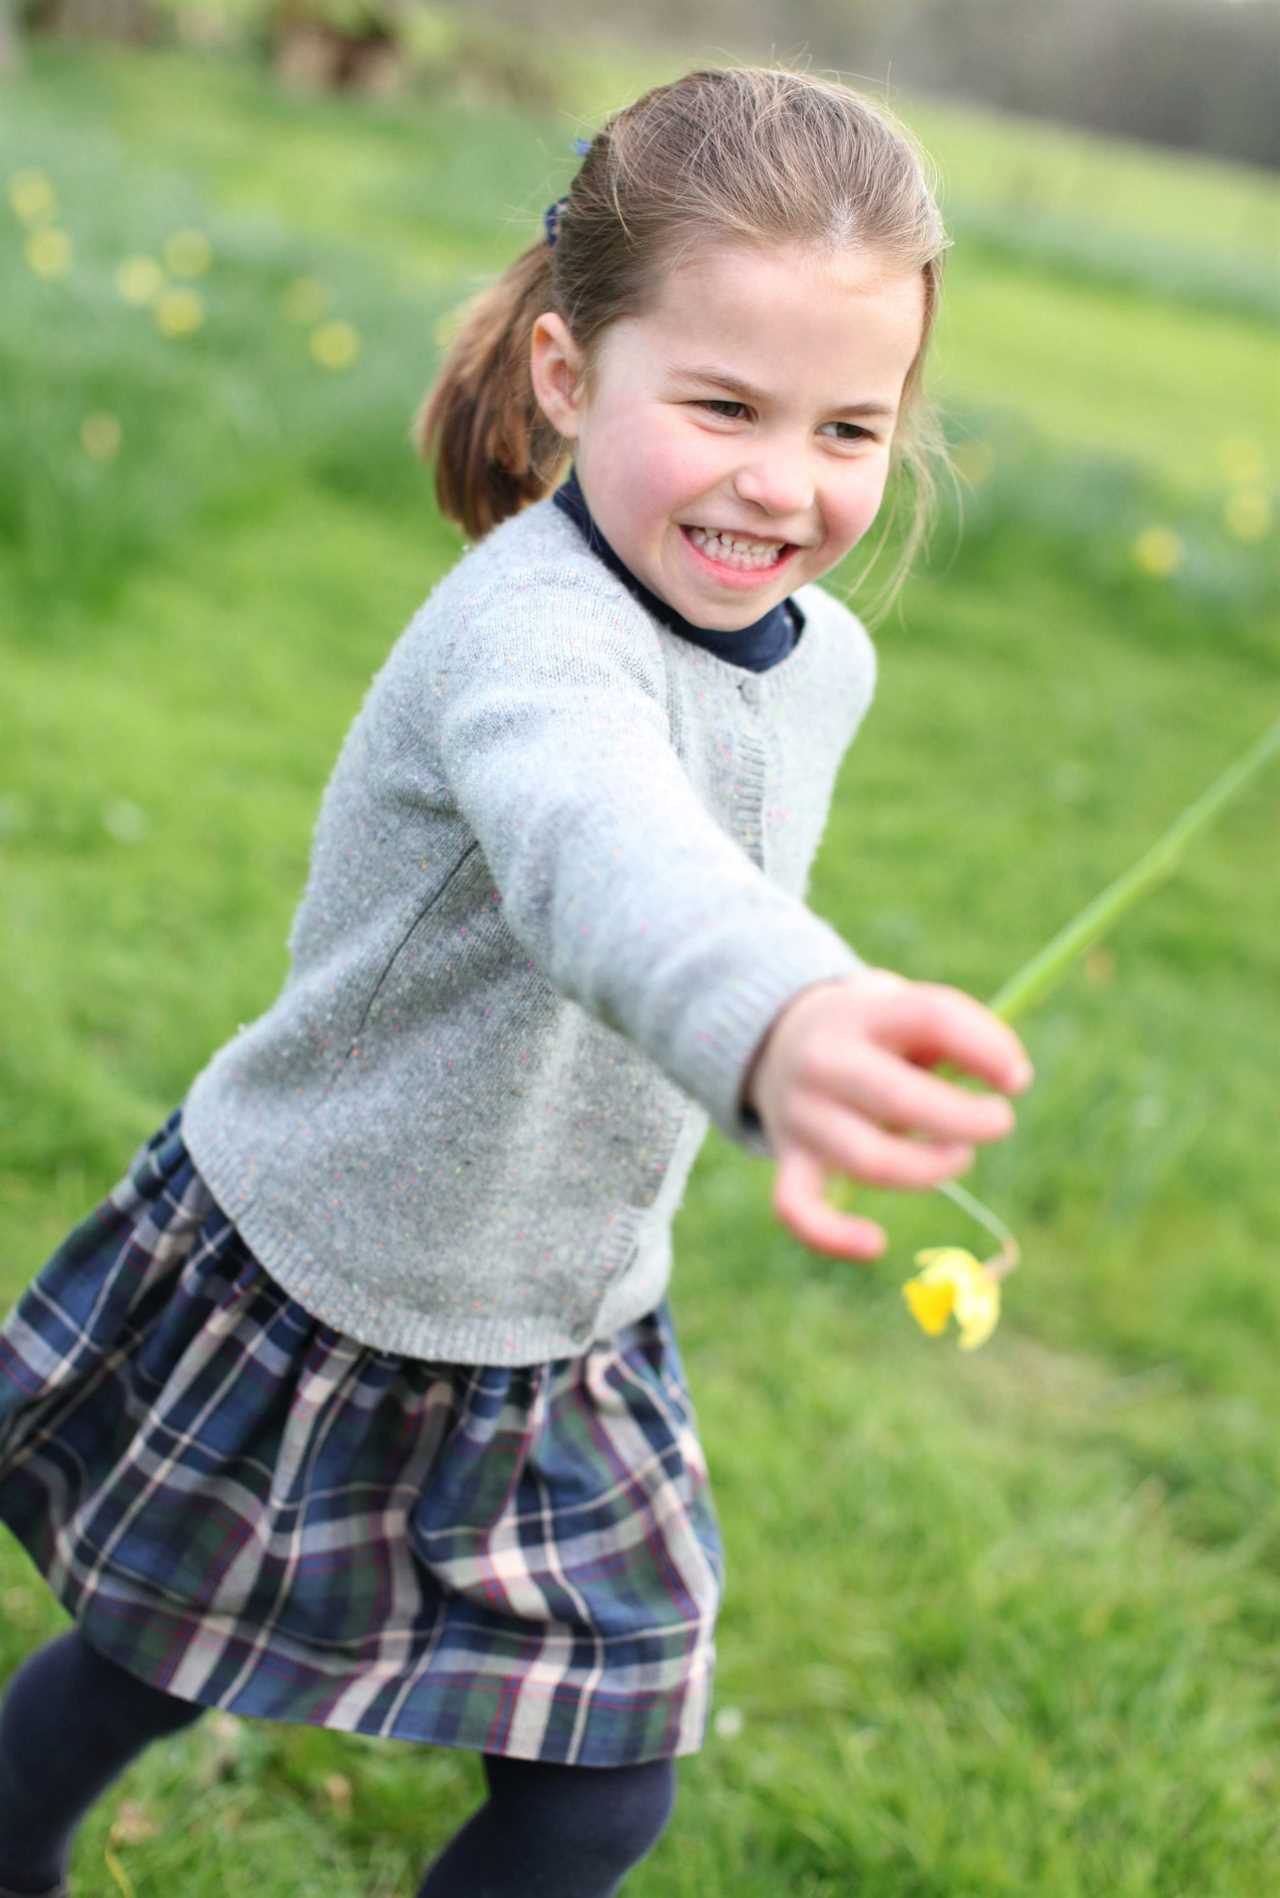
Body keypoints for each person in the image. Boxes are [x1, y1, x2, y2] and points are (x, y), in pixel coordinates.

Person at [0, 64, 1033, 1898]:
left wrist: (811, 1009)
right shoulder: (526, 632)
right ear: (569, 376)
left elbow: (706, 864)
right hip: (326, 1269)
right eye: (722, 404)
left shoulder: (827, 665)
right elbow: (599, 848)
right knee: (150, 1663)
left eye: (850, 429)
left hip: (567, 1317)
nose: (782, 485)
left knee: (599, 1786)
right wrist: (777, 1020)